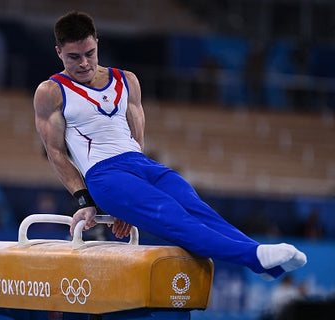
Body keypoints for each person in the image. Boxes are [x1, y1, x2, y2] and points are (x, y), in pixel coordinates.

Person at [33, 11, 307, 280]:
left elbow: (137, 139)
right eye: (73, 57)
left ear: (97, 43)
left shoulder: (126, 80)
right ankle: (255, 256)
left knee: (197, 209)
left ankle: (266, 265)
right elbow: (56, 153)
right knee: (175, 218)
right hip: (105, 176)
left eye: (89, 53)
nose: (83, 63)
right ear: (59, 52)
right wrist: (86, 200)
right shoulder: (52, 92)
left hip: (141, 165)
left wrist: (127, 205)